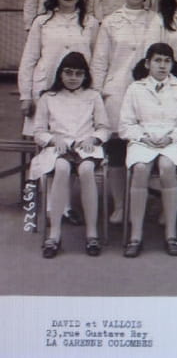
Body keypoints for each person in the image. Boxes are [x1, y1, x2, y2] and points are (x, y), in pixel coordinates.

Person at [90, 0, 158, 225]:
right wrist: (97, 97)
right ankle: (119, 205)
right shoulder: (111, 22)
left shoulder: (155, 21)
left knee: (144, 149)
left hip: (147, 95)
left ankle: (143, 202)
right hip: (116, 92)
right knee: (117, 151)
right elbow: (100, 62)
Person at [30, 53, 110, 258]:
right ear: (60, 74)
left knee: (86, 169)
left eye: (78, 73)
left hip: (86, 147)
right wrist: (52, 139)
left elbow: (104, 128)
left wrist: (93, 138)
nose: (73, 78)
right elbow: (38, 131)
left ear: (85, 76)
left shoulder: (93, 96)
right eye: (68, 73)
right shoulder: (48, 97)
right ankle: (54, 234)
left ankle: (92, 233)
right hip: (59, 149)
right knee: (62, 168)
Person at [119, 43, 177, 258]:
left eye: (167, 61)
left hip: (172, 140)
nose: (162, 66)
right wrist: (143, 137)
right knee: (140, 169)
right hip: (143, 140)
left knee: (167, 167)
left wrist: (171, 137)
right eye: (157, 61)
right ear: (147, 63)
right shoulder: (135, 88)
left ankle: (171, 234)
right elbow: (125, 125)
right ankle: (136, 235)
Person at [19, 0, 99, 137]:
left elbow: (96, 61)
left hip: (77, 87)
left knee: (74, 134)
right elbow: (29, 60)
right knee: (44, 135)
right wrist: (25, 95)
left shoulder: (90, 23)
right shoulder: (42, 22)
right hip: (46, 85)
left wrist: (95, 90)